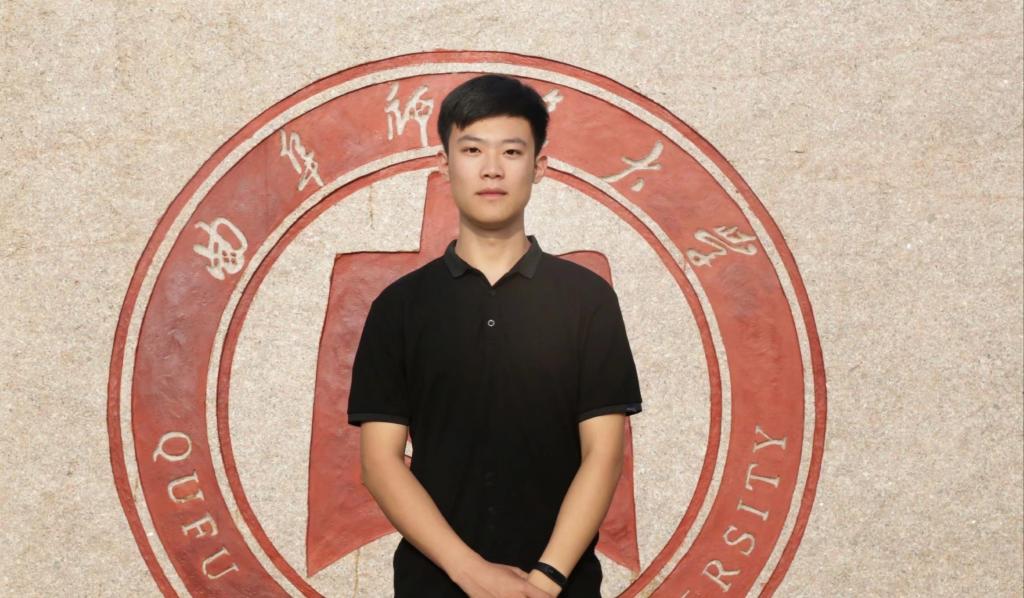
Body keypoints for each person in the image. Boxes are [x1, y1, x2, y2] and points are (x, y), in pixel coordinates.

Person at [347, 73, 643, 597]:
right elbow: (380, 462)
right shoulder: (399, 307)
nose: (491, 169)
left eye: (511, 151)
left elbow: (604, 453)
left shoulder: (587, 299)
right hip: (434, 585)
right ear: (444, 165)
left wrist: (546, 580)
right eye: (471, 150)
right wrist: (471, 572)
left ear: (539, 166)